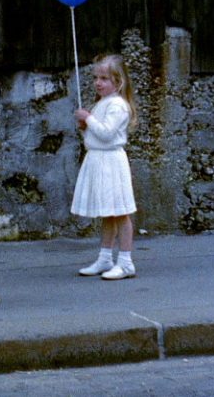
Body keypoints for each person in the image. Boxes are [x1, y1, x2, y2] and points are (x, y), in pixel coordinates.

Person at [71, 54, 139, 280]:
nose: (98, 83)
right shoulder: (103, 103)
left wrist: (88, 119)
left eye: (105, 78)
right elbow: (96, 134)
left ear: (118, 81)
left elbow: (108, 133)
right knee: (107, 212)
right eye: (96, 78)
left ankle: (126, 261)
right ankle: (105, 257)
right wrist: (85, 126)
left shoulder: (118, 105)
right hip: (99, 160)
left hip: (111, 162)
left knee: (120, 211)